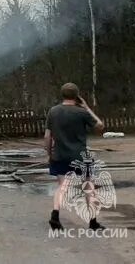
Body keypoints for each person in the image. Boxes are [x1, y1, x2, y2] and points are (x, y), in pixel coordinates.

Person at [45, 83, 105, 230]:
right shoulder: (81, 112)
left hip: (60, 154)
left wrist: (49, 152)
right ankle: (93, 221)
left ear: (62, 94)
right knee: (88, 186)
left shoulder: (53, 111)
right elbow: (100, 126)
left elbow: (47, 136)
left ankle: (55, 216)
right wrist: (87, 108)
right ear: (77, 95)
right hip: (80, 156)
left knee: (62, 187)